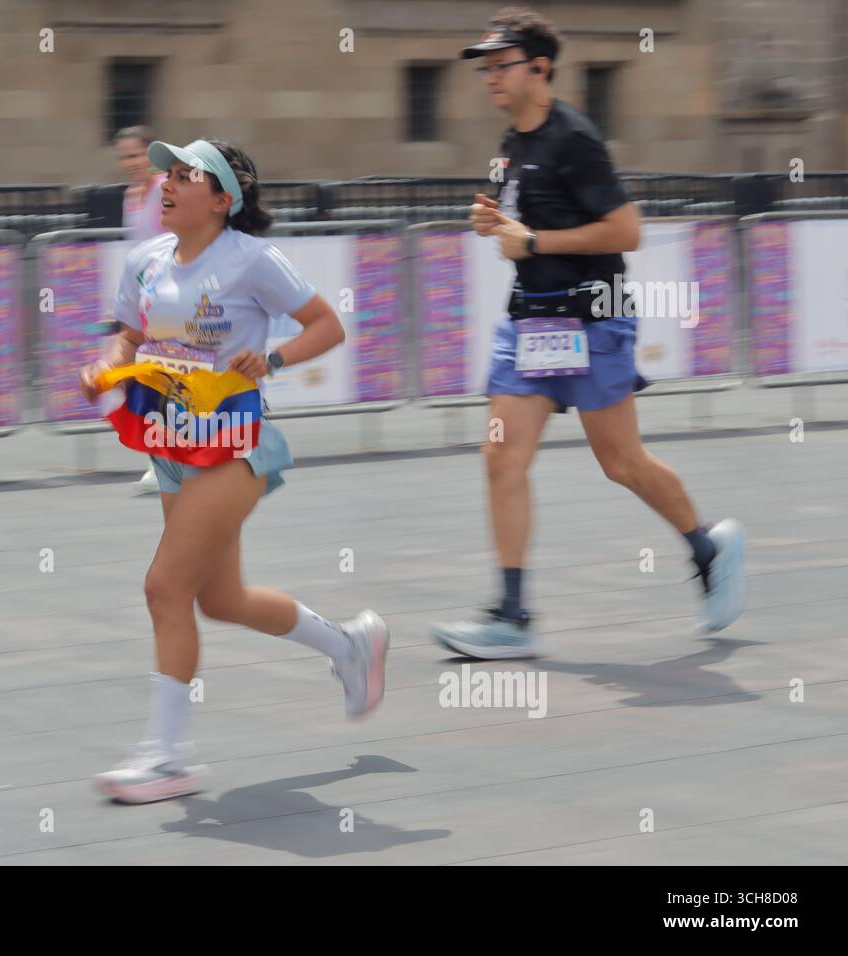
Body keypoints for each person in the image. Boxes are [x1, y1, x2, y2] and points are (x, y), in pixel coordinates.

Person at [80, 137, 390, 804]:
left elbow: (327, 325)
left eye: (189, 176)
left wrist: (271, 361)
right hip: (170, 442)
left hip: (234, 443)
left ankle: (169, 758)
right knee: (219, 599)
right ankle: (349, 647)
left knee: (164, 588)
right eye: (169, 172)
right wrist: (106, 364)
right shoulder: (143, 260)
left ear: (223, 201)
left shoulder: (252, 260)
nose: (168, 183)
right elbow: (129, 336)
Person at [431, 8, 745, 659]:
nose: (490, 75)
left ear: (540, 67)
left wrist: (535, 238)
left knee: (621, 462)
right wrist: (497, 226)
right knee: (500, 458)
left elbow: (627, 230)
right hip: (529, 323)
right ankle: (512, 617)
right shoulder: (511, 142)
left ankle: (709, 546)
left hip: (591, 319)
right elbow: (518, 235)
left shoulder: (574, 138)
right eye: (484, 66)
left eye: (501, 63)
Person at [114, 125, 168, 496]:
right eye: (125, 157)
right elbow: (134, 254)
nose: (131, 163)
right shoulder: (130, 197)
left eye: (136, 155)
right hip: (143, 299)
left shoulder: (168, 187)